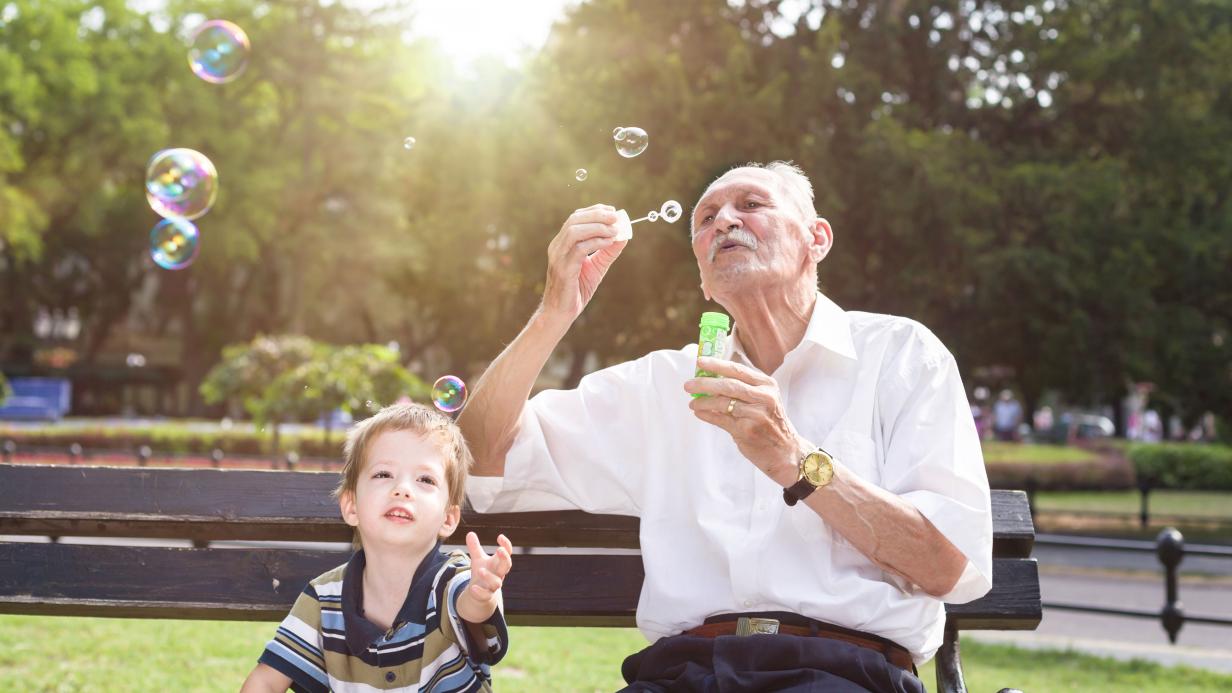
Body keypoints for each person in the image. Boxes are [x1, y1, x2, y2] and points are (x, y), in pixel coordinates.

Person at [460, 161, 991, 692]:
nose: (724, 222)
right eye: (706, 218)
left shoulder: (901, 356)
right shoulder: (661, 385)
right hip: (682, 673)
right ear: (704, 279)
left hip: (844, 672)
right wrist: (555, 311)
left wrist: (794, 460)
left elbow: (944, 565)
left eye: (752, 205)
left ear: (817, 238)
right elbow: (480, 454)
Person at [241, 403, 513, 693]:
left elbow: (469, 607)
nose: (402, 488)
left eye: (425, 479)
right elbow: (267, 681)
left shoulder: (451, 581)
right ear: (352, 506)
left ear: (447, 519)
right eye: (383, 474)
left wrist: (482, 594)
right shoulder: (324, 599)